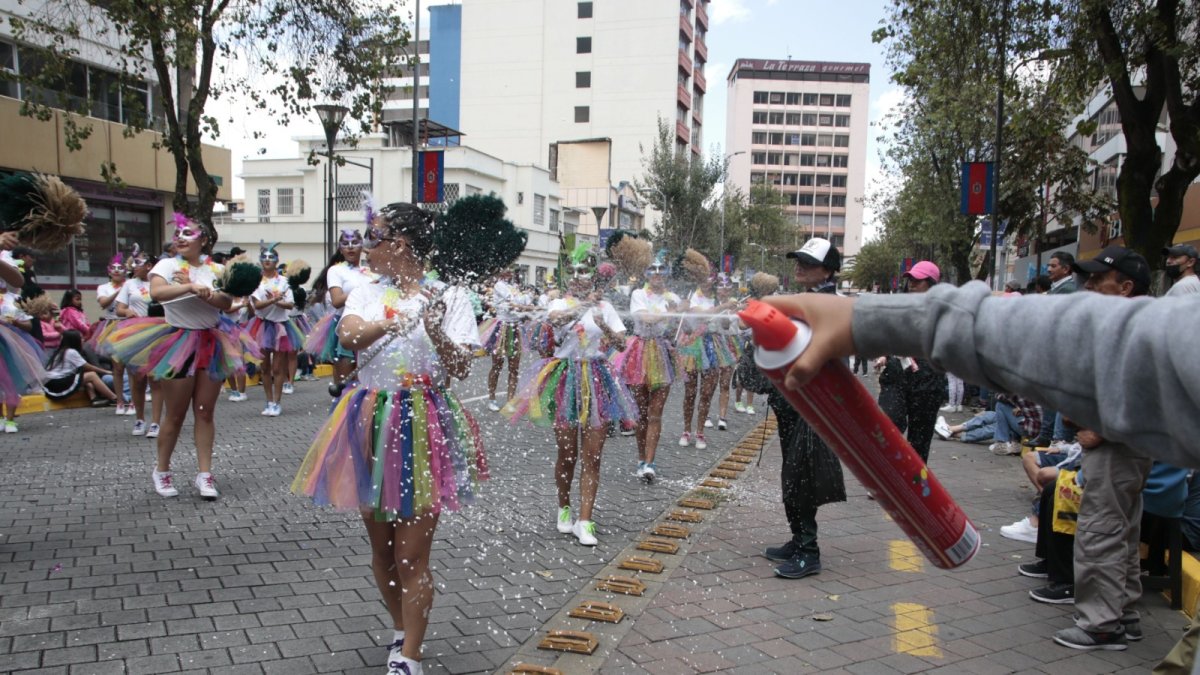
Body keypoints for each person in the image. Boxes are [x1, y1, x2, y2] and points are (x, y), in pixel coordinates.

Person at [291, 203, 484, 675]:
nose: (364, 248)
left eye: (373, 238)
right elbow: (350, 335)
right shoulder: (365, 290)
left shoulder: (450, 295)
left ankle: (411, 658)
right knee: (381, 551)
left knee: (410, 554)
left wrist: (434, 328)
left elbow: (459, 369)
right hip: (369, 417)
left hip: (423, 421)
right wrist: (394, 321)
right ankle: (401, 631)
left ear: (399, 244)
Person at [105, 215, 248, 500]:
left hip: (210, 341)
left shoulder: (218, 269)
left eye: (188, 233)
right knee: (176, 414)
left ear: (204, 240)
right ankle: (162, 469)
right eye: (178, 232)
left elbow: (226, 303)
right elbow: (157, 294)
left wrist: (206, 294)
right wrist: (189, 287)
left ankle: (205, 474)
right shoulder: (167, 265)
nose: (180, 237)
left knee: (205, 412)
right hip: (178, 340)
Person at [506, 244, 636, 547]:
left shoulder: (605, 307)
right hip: (564, 380)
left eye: (585, 271)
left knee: (593, 455)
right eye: (575, 271)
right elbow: (557, 321)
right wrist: (583, 306)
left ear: (593, 275)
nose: (579, 277)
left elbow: (620, 343)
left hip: (597, 378)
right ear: (568, 275)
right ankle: (564, 507)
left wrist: (605, 326)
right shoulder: (558, 302)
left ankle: (585, 519)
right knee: (567, 454)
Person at [763, 237, 846, 580]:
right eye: (798, 260)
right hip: (791, 400)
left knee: (802, 475)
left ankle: (809, 551)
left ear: (828, 270)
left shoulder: (832, 305)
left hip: (815, 404)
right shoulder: (803, 301)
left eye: (808, 263)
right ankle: (798, 539)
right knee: (791, 471)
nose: (799, 266)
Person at [612, 255, 680, 482]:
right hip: (639, 354)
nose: (658, 273)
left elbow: (683, 326)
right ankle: (641, 458)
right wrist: (669, 313)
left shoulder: (673, 298)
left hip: (662, 354)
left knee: (655, 414)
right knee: (640, 415)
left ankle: (650, 462)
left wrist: (682, 314)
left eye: (662, 269)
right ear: (646, 274)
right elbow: (645, 318)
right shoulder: (638, 294)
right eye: (653, 269)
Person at [874, 261, 947, 464]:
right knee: (889, 423)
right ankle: (884, 475)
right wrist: (884, 355)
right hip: (897, 374)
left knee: (920, 437)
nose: (912, 284)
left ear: (931, 283)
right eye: (910, 279)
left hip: (928, 378)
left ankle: (915, 485)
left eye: (918, 280)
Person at [677, 254, 732, 450]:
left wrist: (726, 312)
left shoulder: (718, 298)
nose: (708, 282)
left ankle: (700, 432)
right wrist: (723, 306)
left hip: (713, 345)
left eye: (711, 278)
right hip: (693, 345)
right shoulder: (692, 296)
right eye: (704, 278)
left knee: (707, 392)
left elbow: (725, 325)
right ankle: (686, 430)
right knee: (690, 392)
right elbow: (700, 315)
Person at [306, 229, 374, 387]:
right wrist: (361, 290)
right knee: (345, 382)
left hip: (366, 325)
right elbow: (337, 300)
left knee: (365, 380)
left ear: (362, 247)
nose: (350, 247)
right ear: (340, 248)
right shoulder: (336, 270)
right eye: (346, 244)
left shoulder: (369, 271)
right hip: (344, 324)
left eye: (355, 243)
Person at [246, 242, 301, 417]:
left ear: (277, 261)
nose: (267, 260)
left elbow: (290, 304)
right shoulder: (256, 282)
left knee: (278, 368)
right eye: (264, 257)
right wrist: (273, 300)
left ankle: (277, 402)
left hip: (281, 327)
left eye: (271, 257)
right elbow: (257, 305)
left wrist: (277, 301)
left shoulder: (285, 282)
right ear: (260, 261)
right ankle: (268, 401)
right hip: (262, 326)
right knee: (264, 367)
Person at [115, 247, 163, 438]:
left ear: (149, 266)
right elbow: (120, 308)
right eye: (133, 263)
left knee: (156, 379)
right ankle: (140, 419)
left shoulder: (159, 282)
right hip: (135, 333)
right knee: (137, 379)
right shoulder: (129, 284)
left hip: (157, 332)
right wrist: (127, 312)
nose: (134, 266)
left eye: (138, 262)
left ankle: (156, 422)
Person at [0, 241, 46, 434]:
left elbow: (28, 324)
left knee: (8, 379)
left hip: (7, 342)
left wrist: (14, 323)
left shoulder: (11, 300)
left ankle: (10, 419)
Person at [481, 266, 535, 412]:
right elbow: (517, 301)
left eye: (512, 268)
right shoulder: (499, 285)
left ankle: (511, 400)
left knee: (514, 367)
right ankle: (491, 398)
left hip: (515, 327)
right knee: (497, 365)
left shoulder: (514, 286)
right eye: (507, 268)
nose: (510, 271)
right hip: (502, 327)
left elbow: (523, 301)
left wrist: (524, 300)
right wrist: (524, 300)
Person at [90, 254, 131, 414]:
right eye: (113, 268)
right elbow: (103, 303)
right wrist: (120, 291)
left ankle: (134, 401)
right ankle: (120, 401)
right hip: (112, 326)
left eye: (120, 268)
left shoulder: (131, 284)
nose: (116, 271)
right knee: (117, 366)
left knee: (132, 365)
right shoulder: (103, 287)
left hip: (129, 325)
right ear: (108, 271)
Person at [41, 329, 119, 405]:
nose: (83, 339)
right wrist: (106, 372)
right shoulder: (71, 352)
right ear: (74, 340)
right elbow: (88, 367)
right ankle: (114, 398)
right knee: (92, 375)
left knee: (85, 377)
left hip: (51, 382)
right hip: (57, 383)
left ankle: (94, 399)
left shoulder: (62, 351)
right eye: (81, 338)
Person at [710, 274, 744, 430]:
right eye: (720, 287)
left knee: (724, 383)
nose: (723, 291)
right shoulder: (711, 303)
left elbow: (727, 325)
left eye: (726, 288)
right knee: (709, 384)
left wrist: (736, 311)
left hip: (729, 343)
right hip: (711, 344)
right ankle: (706, 414)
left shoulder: (735, 305)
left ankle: (722, 417)